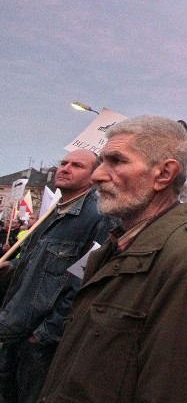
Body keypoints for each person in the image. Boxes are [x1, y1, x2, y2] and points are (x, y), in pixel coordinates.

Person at [38, 116, 187, 403]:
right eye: (101, 161)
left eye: (116, 161)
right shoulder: (111, 248)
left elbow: (174, 389)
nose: (97, 175)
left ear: (163, 174)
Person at [0, 150, 113, 403]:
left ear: (94, 175)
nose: (65, 168)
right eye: (63, 163)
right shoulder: (54, 212)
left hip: (41, 343)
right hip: (16, 330)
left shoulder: (99, 216)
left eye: (77, 165)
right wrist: (10, 268)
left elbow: (85, 283)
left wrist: (45, 333)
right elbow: (35, 267)